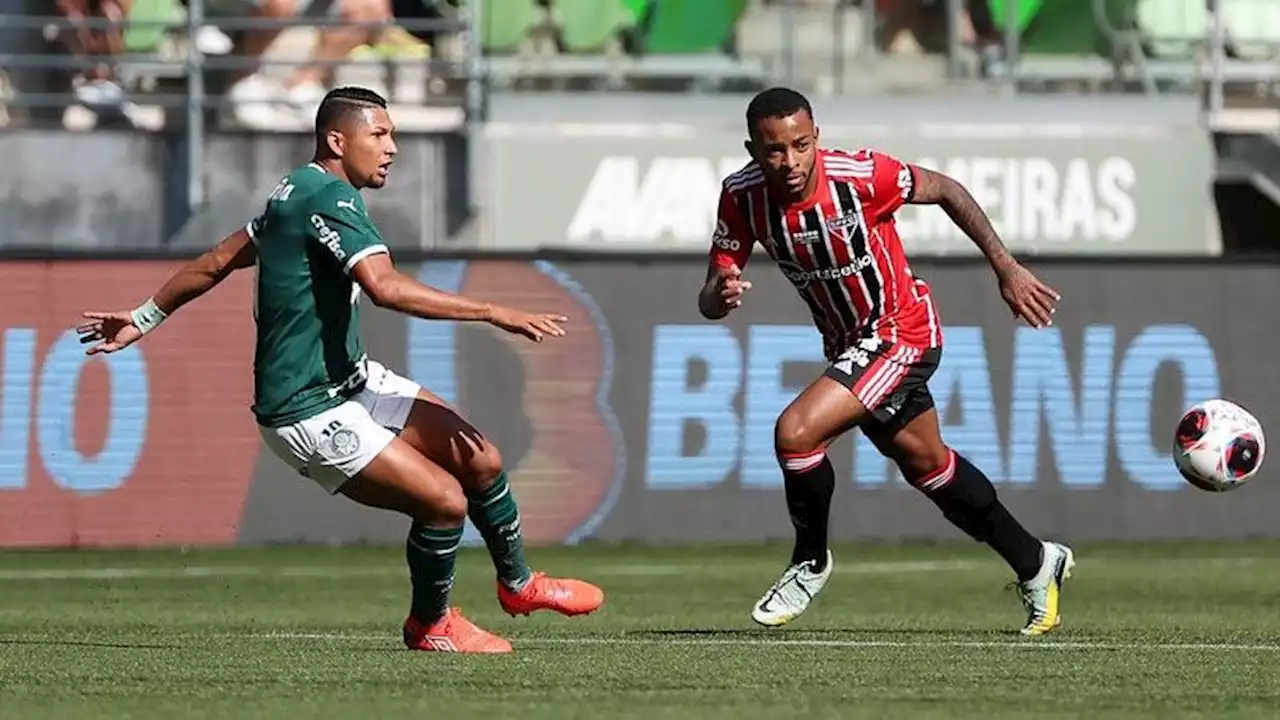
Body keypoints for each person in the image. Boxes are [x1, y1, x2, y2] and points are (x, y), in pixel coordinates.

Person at [76, 86, 604, 654]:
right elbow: (386, 287)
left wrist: (144, 316)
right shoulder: (330, 198)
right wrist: (493, 310)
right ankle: (431, 625)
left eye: (391, 134)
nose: (392, 147)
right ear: (337, 140)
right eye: (379, 134)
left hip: (353, 381)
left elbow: (216, 261)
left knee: (482, 459)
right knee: (445, 502)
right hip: (307, 409)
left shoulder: (293, 191)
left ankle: (519, 585)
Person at [701, 87, 1073, 636]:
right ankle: (1037, 562)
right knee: (930, 466)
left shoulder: (861, 176)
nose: (791, 161)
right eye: (775, 150)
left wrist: (1006, 267)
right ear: (754, 150)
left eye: (801, 145)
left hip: (902, 332)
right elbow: (710, 294)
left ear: (816, 137)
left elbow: (946, 190)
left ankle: (810, 560)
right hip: (850, 345)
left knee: (795, 434)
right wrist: (721, 294)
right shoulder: (741, 197)